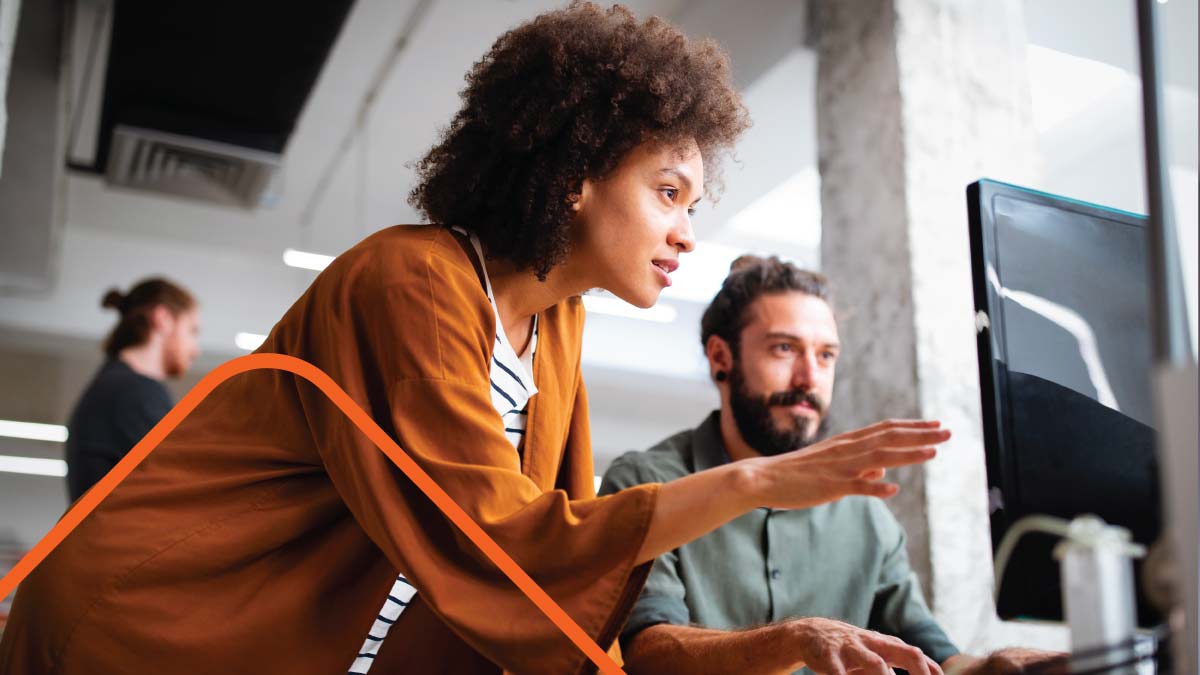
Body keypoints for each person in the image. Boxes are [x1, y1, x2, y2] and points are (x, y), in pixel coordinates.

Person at [0, 5, 950, 675]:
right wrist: (758, 482)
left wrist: (783, 640)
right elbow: (499, 536)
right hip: (147, 623)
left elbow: (557, 579)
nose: (687, 234)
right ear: (576, 171)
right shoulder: (407, 280)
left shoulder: (556, 327)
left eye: (693, 205)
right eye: (668, 192)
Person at [601, 256, 1062, 675]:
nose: (809, 379)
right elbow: (646, 652)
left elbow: (929, 650)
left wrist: (993, 667)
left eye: (825, 356)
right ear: (722, 357)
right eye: (784, 349)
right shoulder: (646, 483)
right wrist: (792, 640)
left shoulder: (864, 510)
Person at [65, 278, 200, 502]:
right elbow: (185, 483)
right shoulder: (132, 392)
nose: (195, 350)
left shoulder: (116, 386)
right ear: (163, 318)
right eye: (192, 331)